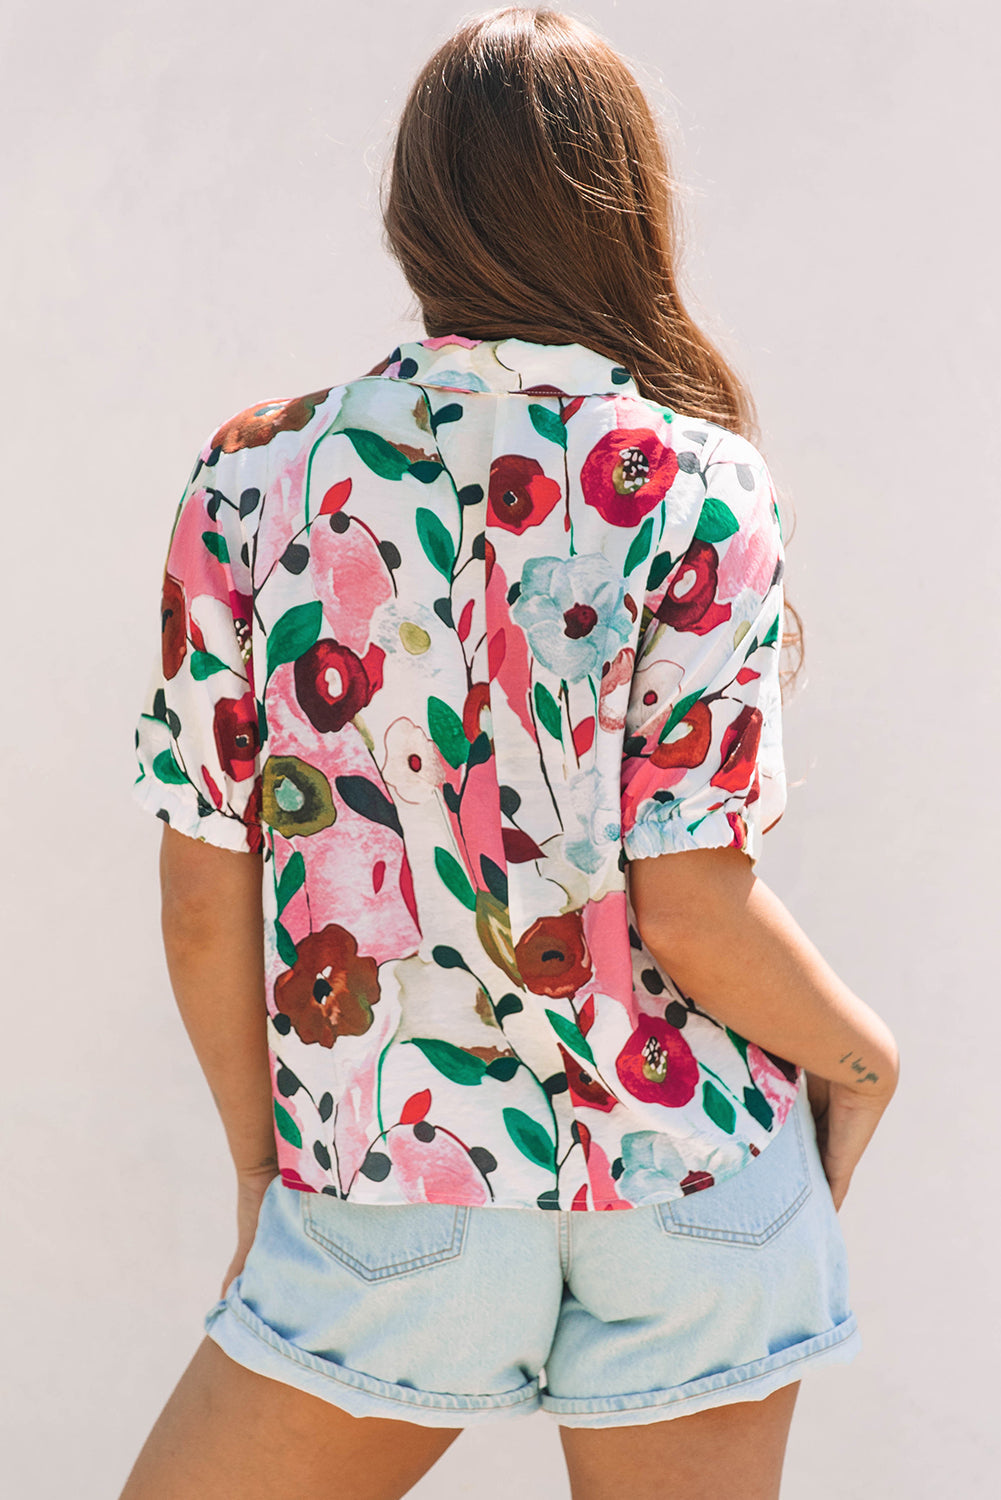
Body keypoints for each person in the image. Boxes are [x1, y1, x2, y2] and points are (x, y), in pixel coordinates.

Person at [119, 7, 899, 1498]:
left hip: (389, 1184)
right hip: (691, 1182)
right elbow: (692, 907)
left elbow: (202, 895)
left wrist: (262, 1170)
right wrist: (868, 1062)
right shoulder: (699, 481)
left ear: (414, 214)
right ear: (629, 209)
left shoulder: (256, 475)